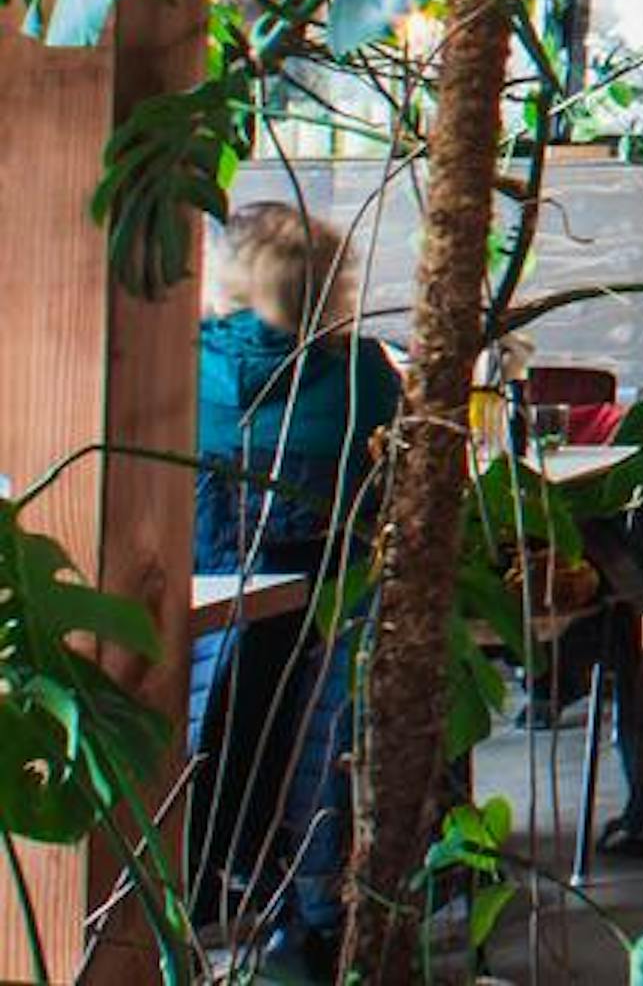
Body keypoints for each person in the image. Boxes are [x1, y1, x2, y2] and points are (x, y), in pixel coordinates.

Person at [192, 202, 403, 977]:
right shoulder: (362, 375)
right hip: (330, 647)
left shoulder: (180, 369)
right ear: (330, 286)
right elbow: (400, 495)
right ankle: (317, 918)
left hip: (198, 654)